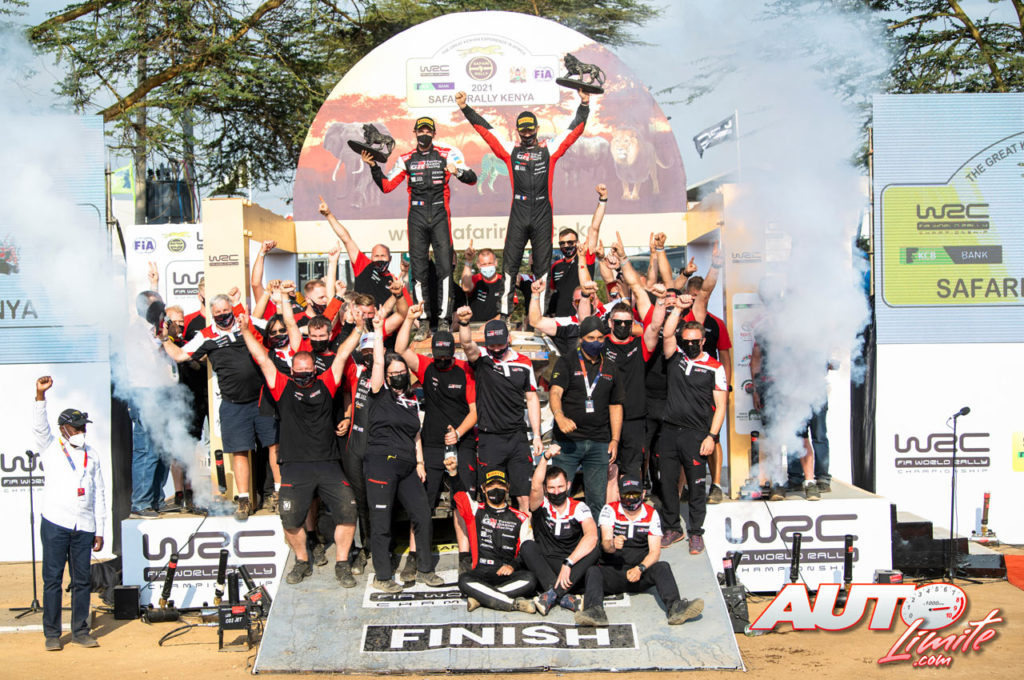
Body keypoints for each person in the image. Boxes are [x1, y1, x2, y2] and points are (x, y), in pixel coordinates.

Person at [238, 313, 363, 587]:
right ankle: (302, 560)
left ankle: (342, 563)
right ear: (291, 371)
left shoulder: (326, 383)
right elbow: (262, 358)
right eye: (299, 373)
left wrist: (359, 328)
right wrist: (246, 330)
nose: (304, 377)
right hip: (294, 465)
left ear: (315, 371)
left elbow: (342, 354)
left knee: (348, 509)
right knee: (290, 517)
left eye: (308, 372)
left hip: (328, 462)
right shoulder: (282, 385)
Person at [456, 88, 591, 318]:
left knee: (542, 268)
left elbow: (573, 131)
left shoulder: (549, 149)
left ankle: (541, 316)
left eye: (530, 128)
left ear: (536, 128)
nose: (527, 133)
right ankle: (505, 315)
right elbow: (487, 131)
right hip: (519, 211)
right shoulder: (511, 150)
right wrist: (465, 108)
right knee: (510, 266)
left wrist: (584, 104)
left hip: (542, 212)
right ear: (518, 131)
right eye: (523, 129)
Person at [162, 288, 273, 520]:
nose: (223, 315)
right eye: (218, 313)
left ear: (232, 309)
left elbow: (275, 329)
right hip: (233, 402)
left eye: (225, 310)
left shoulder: (246, 322)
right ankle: (243, 500)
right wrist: (163, 339)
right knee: (240, 451)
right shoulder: (206, 335)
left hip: (262, 398)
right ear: (212, 315)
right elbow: (181, 355)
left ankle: (279, 494)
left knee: (274, 446)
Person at [364, 116, 477, 337]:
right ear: (415, 133)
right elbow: (387, 186)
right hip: (416, 216)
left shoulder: (447, 154)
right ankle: (423, 321)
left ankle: (444, 320)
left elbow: (472, 179)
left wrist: (457, 172)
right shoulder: (406, 159)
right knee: (419, 271)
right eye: (421, 130)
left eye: (428, 130)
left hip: (440, 214)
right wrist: (374, 167)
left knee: (445, 269)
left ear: (433, 134)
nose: (424, 133)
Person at [364, 312, 444, 591]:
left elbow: (416, 433)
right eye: (393, 374)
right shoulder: (378, 393)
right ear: (386, 377)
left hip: (408, 465)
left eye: (402, 373)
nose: (398, 377)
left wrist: (420, 462)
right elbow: (378, 361)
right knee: (382, 522)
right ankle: (383, 577)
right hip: (380, 463)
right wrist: (377, 332)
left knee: (422, 515)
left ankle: (425, 570)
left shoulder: (412, 399)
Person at [396, 305, 479, 574]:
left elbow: (475, 411)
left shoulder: (465, 370)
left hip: (461, 443)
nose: (442, 361)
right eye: (438, 356)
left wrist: (459, 432)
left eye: (446, 357)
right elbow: (401, 349)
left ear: (453, 353)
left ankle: (465, 555)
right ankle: (414, 554)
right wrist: (409, 319)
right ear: (432, 353)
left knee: (462, 500)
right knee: (423, 503)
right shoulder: (426, 367)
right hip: (431, 444)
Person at [33, 376, 105, 651]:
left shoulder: (92, 454)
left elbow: (99, 493)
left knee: (82, 581)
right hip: (55, 522)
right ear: (63, 429)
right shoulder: (51, 447)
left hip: (84, 526)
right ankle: (52, 634)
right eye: (76, 428)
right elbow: (39, 426)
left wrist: (99, 530)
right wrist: (40, 396)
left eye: (83, 427)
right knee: (52, 580)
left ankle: (80, 631)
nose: (81, 431)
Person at [574, 476, 704, 627]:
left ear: (642, 494)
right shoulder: (609, 510)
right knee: (593, 571)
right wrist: (613, 544)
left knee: (662, 567)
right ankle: (594, 612)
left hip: (639, 574)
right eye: (626, 495)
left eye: (634, 494)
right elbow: (605, 543)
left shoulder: (651, 514)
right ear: (619, 494)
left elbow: (655, 552)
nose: (630, 499)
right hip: (613, 571)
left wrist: (640, 568)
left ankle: (676, 608)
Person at [456, 308, 542, 512]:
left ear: (508, 339)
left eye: (500, 344)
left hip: (517, 437)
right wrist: (464, 323)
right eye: (492, 345)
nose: (496, 349)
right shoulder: (482, 359)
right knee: (492, 495)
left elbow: (532, 399)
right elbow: (467, 344)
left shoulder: (524, 362)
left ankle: (526, 531)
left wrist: (537, 435)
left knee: (524, 495)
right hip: (490, 438)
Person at [658, 308, 728, 555]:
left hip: (697, 433)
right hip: (669, 431)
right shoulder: (675, 356)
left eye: (694, 341)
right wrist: (677, 308)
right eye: (685, 340)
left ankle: (696, 532)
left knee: (697, 486)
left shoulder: (715, 367)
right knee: (667, 483)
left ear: (703, 341)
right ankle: (672, 528)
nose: (689, 345)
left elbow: (721, 406)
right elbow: (667, 334)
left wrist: (712, 436)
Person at [548, 315, 624, 518]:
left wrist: (615, 439)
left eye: (600, 338)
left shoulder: (610, 366)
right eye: (591, 338)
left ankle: (594, 537)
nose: (596, 342)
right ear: (581, 339)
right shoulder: (566, 361)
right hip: (568, 442)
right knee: (559, 496)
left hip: (599, 442)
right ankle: (559, 535)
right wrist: (560, 417)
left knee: (597, 500)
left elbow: (616, 405)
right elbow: (555, 393)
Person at [447, 461, 537, 613]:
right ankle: (513, 604)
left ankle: (481, 597)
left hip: (507, 573)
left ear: (507, 488)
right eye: (490, 485)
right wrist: (453, 473)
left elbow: (527, 550)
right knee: (463, 580)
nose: (496, 488)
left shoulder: (521, 518)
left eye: (500, 485)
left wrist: (512, 566)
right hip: (481, 572)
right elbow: (461, 496)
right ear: (483, 489)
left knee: (530, 580)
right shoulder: (476, 510)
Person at [519, 447, 599, 615]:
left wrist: (569, 563)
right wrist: (545, 457)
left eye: (560, 487)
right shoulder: (542, 504)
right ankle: (563, 597)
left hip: (571, 570)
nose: (557, 492)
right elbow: (535, 486)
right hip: (545, 566)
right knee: (527, 546)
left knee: (595, 547)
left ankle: (552, 595)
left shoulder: (579, 507)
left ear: (568, 485)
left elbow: (591, 536)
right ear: (546, 489)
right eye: (552, 488)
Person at [319, 195, 403, 307]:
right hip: (359, 315)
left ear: (390, 258)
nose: (379, 259)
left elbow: (404, 308)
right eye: (376, 256)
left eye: (383, 256)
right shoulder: (364, 266)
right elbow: (346, 239)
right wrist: (328, 215)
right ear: (371, 257)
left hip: (382, 317)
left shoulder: (394, 280)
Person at [161, 304, 200, 513]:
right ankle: (178, 493)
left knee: (190, 447)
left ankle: (190, 490)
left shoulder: (189, 343)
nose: (178, 326)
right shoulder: (160, 345)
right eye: (174, 322)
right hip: (170, 402)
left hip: (191, 401)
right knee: (174, 448)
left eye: (181, 323)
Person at [547, 184, 605, 317]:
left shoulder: (584, 256)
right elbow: (552, 293)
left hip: (582, 317)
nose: (566, 246)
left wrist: (603, 200)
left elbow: (594, 228)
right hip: (561, 319)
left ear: (577, 243)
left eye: (570, 242)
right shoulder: (556, 266)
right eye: (562, 243)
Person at [459, 242, 503, 323]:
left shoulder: (504, 281)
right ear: (478, 265)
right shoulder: (475, 279)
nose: (487, 266)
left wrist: (488, 325)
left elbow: (509, 310)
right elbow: (466, 288)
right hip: (474, 326)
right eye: (484, 264)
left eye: (490, 263)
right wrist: (468, 261)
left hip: (497, 326)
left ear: (496, 263)